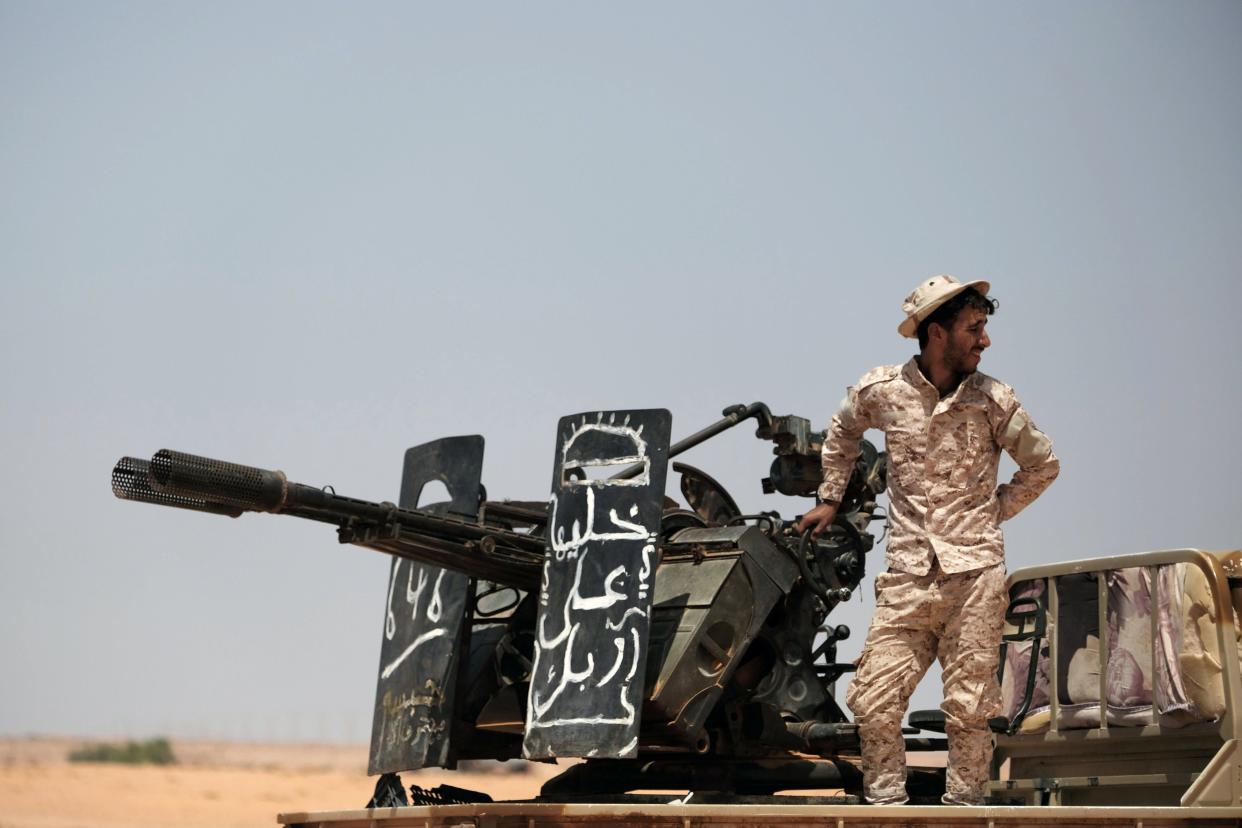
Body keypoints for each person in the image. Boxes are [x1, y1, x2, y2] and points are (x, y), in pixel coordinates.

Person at [797, 275, 1059, 805]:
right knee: (873, 703)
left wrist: (991, 513)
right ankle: (887, 811)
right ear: (936, 333)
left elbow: (1042, 465)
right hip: (909, 579)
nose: (984, 341)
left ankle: (963, 812)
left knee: (969, 709)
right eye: (974, 329)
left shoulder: (993, 401)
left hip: (975, 581)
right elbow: (843, 429)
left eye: (984, 328)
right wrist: (829, 496)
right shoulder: (883, 392)